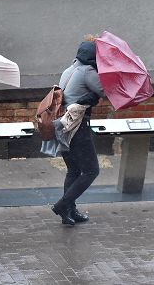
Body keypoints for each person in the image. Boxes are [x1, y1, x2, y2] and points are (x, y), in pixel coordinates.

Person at [51, 36, 105, 226]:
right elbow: (105, 91)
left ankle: (69, 212)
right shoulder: (89, 71)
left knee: (73, 170)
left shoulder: (69, 70)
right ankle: (62, 205)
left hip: (62, 125)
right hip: (77, 126)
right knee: (91, 170)